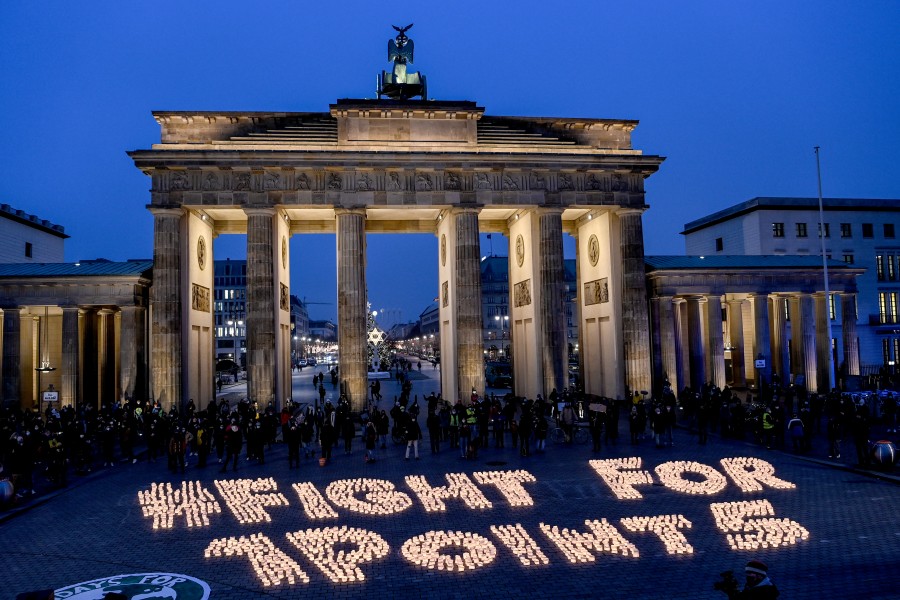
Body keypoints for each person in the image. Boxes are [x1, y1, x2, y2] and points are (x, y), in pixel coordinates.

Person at [715, 559, 779, 599]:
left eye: (750, 573)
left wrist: (732, 593)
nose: (748, 575)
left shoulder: (766, 591)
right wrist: (731, 591)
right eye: (747, 573)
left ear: (759, 575)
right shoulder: (752, 584)